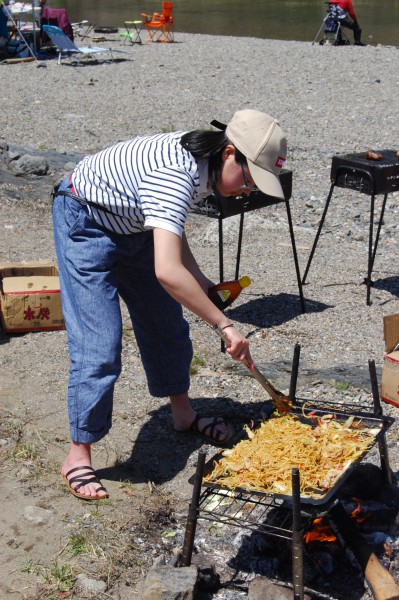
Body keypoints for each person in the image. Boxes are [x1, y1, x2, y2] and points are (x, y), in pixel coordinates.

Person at [52, 109, 287, 500]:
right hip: (86, 221)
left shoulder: (208, 169)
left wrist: (203, 284)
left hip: (135, 227)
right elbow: (167, 271)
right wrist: (225, 325)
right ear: (230, 153)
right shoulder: (175, 172)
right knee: (99, 344)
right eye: (249, 179)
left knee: (166, 326)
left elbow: (171, 236)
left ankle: (183, 415)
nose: (249, 190)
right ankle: (78, 453)